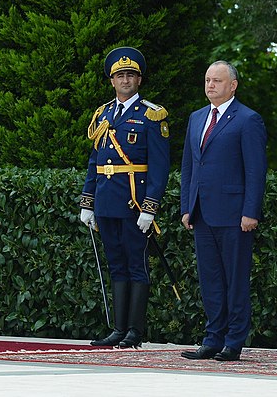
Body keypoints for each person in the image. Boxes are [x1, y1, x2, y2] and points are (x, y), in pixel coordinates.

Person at [79, 47, 171, 349]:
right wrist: (87, 201)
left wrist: (150, 208)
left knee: (136, 265)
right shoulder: (103, 114)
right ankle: (118, 329)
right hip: (106, 203)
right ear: (112, 80)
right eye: (120, 75)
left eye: (130, 75)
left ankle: (134, 331)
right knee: (116, 264)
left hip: (134, 203)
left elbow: (159, 167)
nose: (125, 79)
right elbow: (96, 162)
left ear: (139, 80)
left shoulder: (150, 114)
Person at [179, 60, 267, 362]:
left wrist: (250, 211)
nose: (210, 85)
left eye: (217, 80)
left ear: (233, 85)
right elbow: (189, 166)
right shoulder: (197, 118)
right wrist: (186, 207)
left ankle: (233, 341)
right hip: (202, 213)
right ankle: (212, 338)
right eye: (207, 80)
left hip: (234, 215)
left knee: (235, 279)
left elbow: (255, 170)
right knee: (211, 280)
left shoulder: (247, 119)